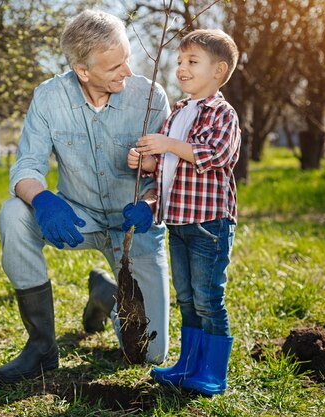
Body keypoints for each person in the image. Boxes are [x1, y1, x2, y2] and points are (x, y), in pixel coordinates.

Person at [0, 9, 172, 384]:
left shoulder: (151, 96)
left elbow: (171, 174)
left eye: (127, 58)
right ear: (82, 70)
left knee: (149, 354)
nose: (127, 71)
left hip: (134, 226)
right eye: (114, 67)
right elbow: (25, 168)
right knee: (13, 213)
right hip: (78, 216)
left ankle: (106, 295)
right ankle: (42, 348)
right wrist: (42, 200)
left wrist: (151, 204)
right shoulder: (48, 98)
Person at [123, 28, 240, 395]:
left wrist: (169, 143)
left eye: (192, 61)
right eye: (179, 62)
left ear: (219, 70)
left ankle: (213, 373)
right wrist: (146, 163)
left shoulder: (222, 113)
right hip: (178, 222)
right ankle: (188, 365)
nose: (182, 69)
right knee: (187, 298)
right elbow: (169, 169)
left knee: (208, 299)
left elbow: (216, 155)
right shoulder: (178, 112)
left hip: (210, 224)